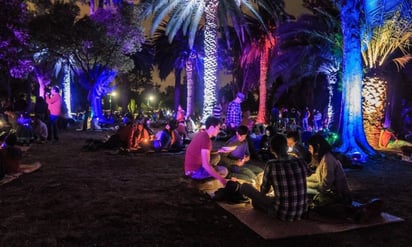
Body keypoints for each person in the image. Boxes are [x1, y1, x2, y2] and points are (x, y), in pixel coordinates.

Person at [225, 134, 309, 221]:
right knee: (262, 200)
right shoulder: (300, 161)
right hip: (302, 211)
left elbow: (264, 191)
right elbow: (307, 174)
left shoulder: (272, 164)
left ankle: (262, 205)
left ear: (272, 149)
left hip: (282, 212)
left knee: (245, 188)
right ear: (286, 146)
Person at [184, 116, 228, 186]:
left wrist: (218, 151)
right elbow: (206, 165)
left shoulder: (202, 134)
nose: (219, 130)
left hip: (189, 169)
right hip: (194, 172)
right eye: (218, 128)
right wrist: (220, 178)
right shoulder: (206, 140)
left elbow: (203, 151)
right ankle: (203, 183)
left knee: (216, 157)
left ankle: (209, 175)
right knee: (224, 171)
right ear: (211, 127)